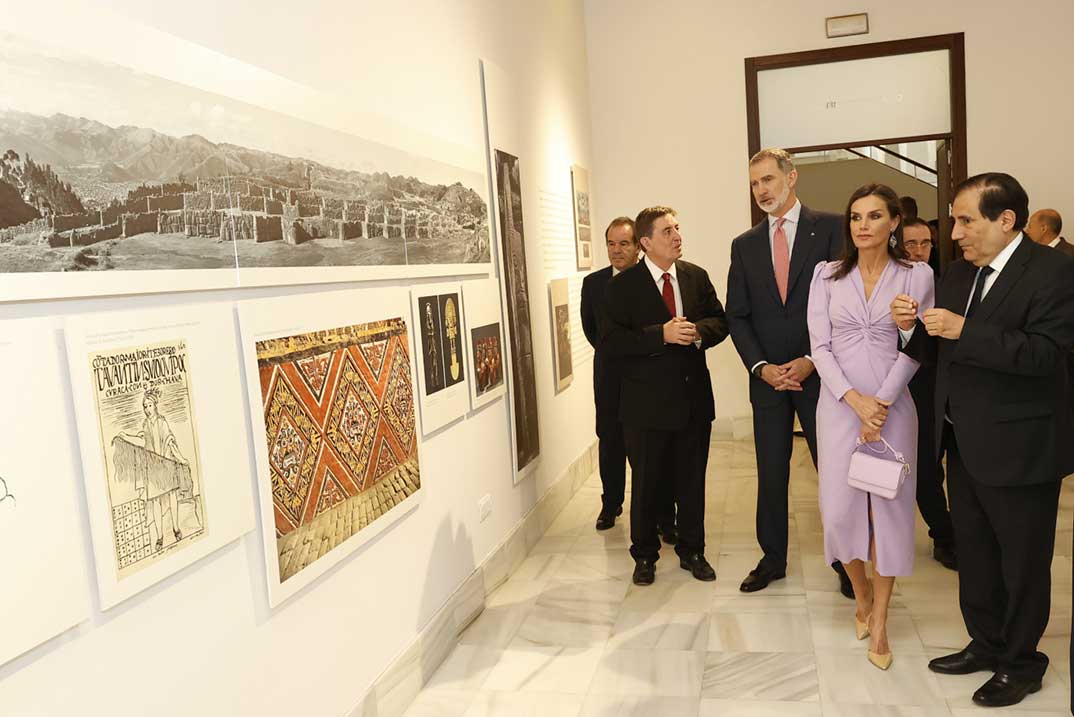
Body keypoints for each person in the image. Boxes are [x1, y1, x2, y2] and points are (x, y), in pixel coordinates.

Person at [892, 173, 1074, 707]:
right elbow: (937, 352)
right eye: (955, 219)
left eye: (967, 220)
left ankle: (1021, 662)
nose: (956, 231)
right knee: (974, 553)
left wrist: (962, 330)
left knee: (1021, 561)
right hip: (962, 440)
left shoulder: (1057, 272)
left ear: (1007, 220)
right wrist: (911, 329)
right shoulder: (956, 275)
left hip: (1021, 446)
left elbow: (1048, 356)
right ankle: (986, 642)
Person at [808, 183, 935, 671]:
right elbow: (820, 347)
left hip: (893, 409)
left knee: (889, 513)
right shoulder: (827, 276)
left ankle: (880, 620)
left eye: (874, 216)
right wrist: (855, 401)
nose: (862, 225)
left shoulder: (916, 275)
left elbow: (916, 346)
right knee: (840, 513)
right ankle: (860, 594)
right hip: (840, 408)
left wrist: (880, 403)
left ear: (894, 222)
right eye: (856, 216)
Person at [726, 148, 853, 597]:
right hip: (768, 381)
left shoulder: (833, 228)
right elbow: (736, 315)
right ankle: (772, 558)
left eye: (768, 180)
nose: (761, 190)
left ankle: (846, 561)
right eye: (754, 182)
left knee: (833, 470)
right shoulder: (744, 246)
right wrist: (762, 368)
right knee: (771, 471)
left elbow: (846, 303)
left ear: (791, 178)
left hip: (822, 375)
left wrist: (812, 359)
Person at [601, 205, 728, 586]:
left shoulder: (695, 276)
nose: (677, 236)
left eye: (677, 227)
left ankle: (693, 550)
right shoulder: (622, 287)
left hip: (693, 401)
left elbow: (721, 320)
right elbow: (611, 342)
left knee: (692, 481)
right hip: (645, 406)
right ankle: (644, 556)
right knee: (646, 485)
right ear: (646, 242)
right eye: (667, 231)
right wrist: (662, 335)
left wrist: (698, 332)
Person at [900, 218, 957, 570]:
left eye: (925, 243)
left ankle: (951, 533)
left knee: (939, 464)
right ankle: (944, 533)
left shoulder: (945, 281)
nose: (919, 250)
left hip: (940, 385)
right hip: (903, 385)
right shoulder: (889, 280)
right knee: (923, 467)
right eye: (911, 243)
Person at [581, 216, 640, 530]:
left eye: (624, 244)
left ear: (637, 246)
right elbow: (590, 329)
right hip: (607, 376)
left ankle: (656, 508)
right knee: (610, 440)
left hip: (645, 376)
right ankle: (611, 504)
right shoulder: (593, 284)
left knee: (646, 445)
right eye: (611, 244)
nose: (616, 250)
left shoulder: (650, 279)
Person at [121, 387, 190, 551]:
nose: (147, 409)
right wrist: (125, 436)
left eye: (149, 405)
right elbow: (141, 440)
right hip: (153, 468)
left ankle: (176, 528)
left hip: (166, 464)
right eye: (145, 406)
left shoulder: (162, 422)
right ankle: (159, 537)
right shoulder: (145, 425)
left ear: (155, 405)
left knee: (172, 496)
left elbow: (170, 442)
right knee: (156, 502)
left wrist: (181, 458)